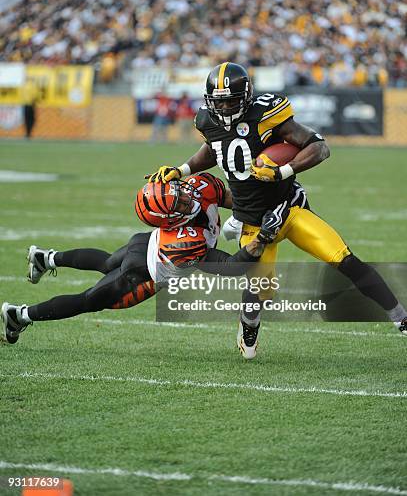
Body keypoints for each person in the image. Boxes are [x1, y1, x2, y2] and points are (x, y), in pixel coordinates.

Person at [147, 62, 407, 359]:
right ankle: (248, 324)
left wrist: (284, 171)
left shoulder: (267, 113)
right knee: (261, 290)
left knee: (344, 259)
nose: (226, 107)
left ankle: (401, 317)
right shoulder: (208, 120)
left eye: (231, 100)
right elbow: (214, 149)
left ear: (246, 96)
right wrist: (182, 169)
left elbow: (319, 146)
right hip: (253, 223)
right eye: (219, 102)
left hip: (289, 209)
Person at [1, 174, 287, 345]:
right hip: (141, 270)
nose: (187, 197)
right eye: (179, 203)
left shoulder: (196, 187)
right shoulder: (185, 241)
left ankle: (46, 258)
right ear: (170, 219)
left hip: (144, 244)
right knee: (88, 300)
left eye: (179, 191)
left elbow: (230, 198)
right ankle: (19, 314)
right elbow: (232, 267)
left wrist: (258, 213)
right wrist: (262, 237)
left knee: (104, 263)